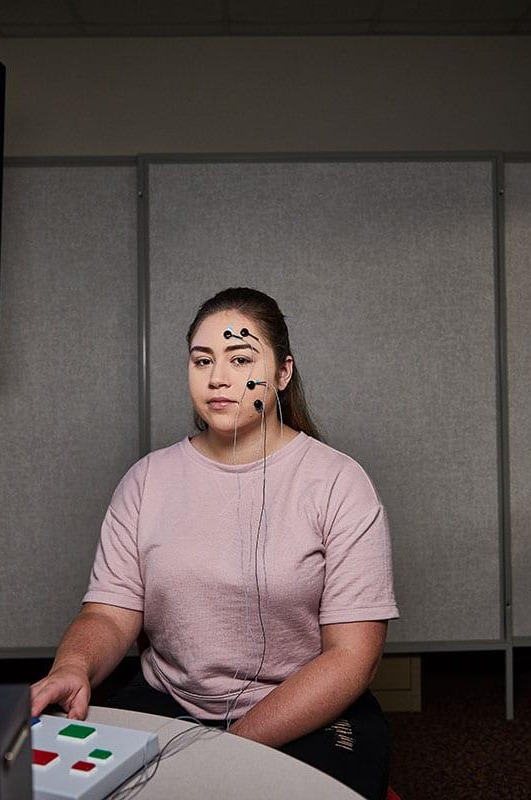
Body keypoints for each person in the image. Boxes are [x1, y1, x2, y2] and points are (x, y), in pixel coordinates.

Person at [30, 287, 398, 799]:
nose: (218, 378)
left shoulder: (338, 483)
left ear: (283, 374)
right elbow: (110, 614)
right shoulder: (146, 481)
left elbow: (351, 658)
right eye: (203, 360)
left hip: (305, 711)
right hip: (169, 700)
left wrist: (228, 749)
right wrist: (72, 666)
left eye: (240, 358)